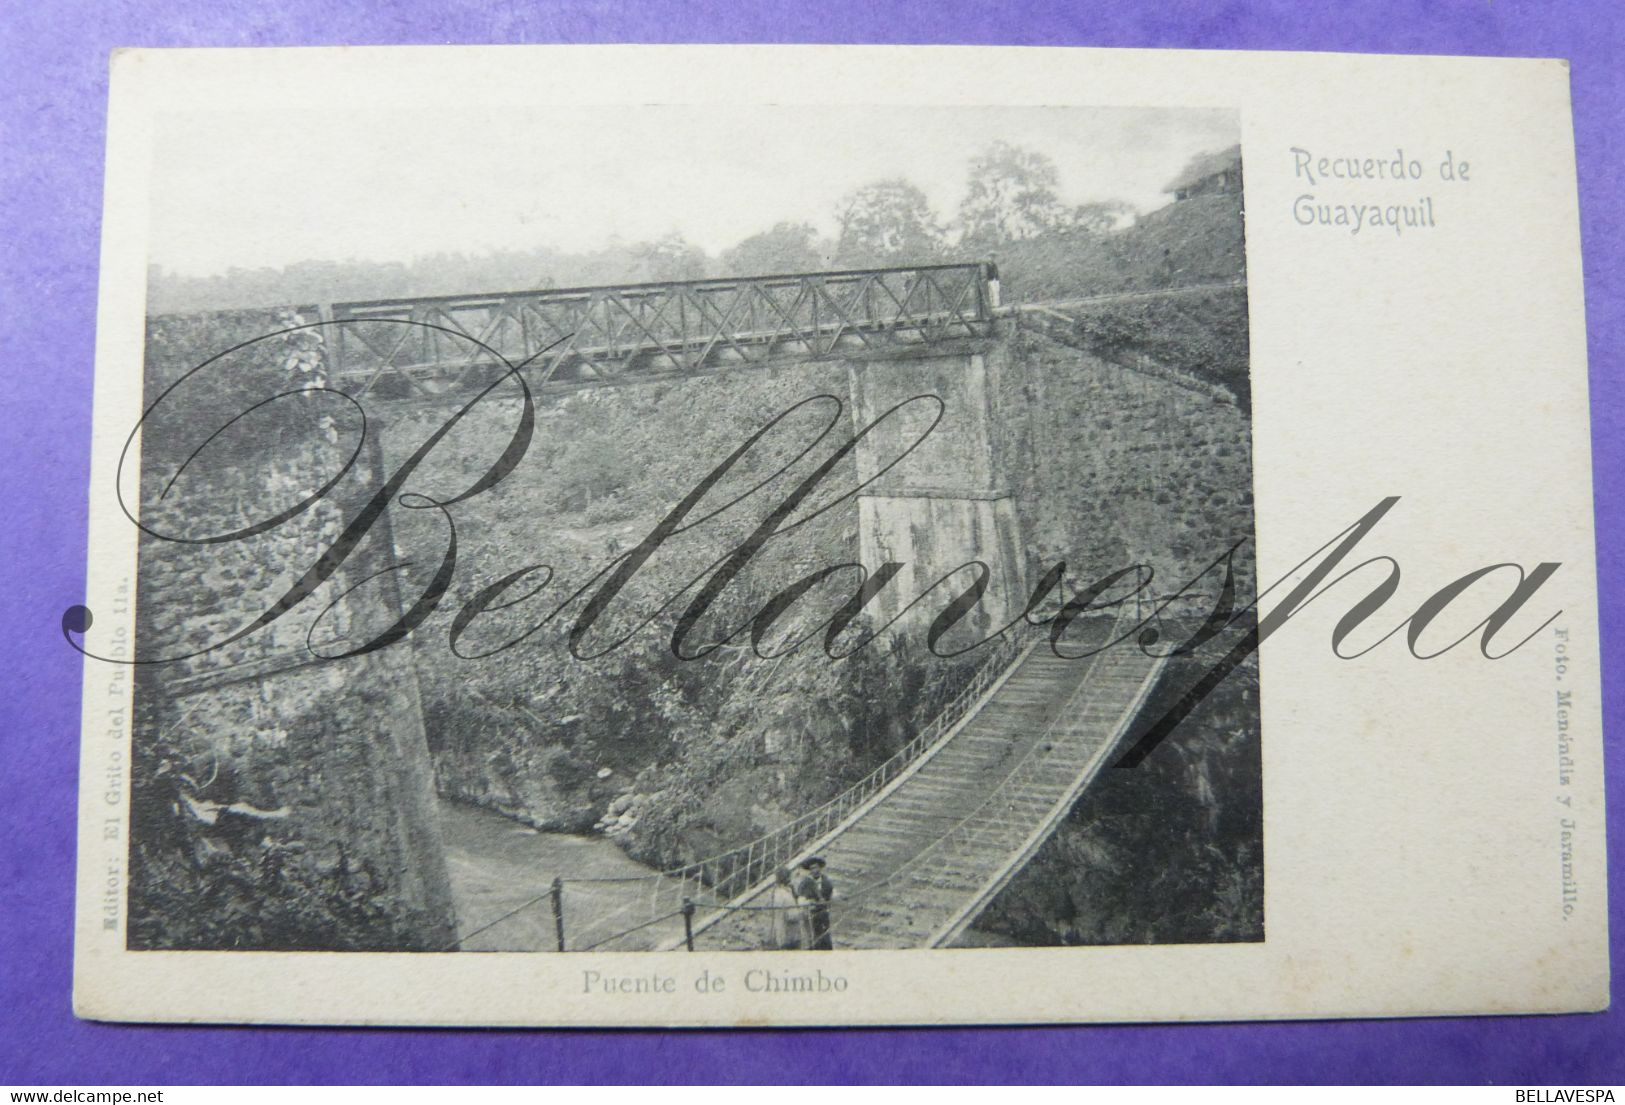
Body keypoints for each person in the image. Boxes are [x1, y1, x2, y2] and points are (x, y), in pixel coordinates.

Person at [794, 856, 835, 950]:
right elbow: (800, 900)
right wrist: (809, 902)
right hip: (811, 917)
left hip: (824, 915)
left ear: (820, 868)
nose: (814, 870)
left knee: (825, 938)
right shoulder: (806, 883)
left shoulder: (826, 882)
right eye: (812, 868)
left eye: (816, 867)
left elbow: (831, 894)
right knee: (813, 939)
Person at [763, 867, 804, 950]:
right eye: (789, 877)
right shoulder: (784, 894)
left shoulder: (775, 892)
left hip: (779, 930)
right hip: (789, 933)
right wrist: (801, 911)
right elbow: (792, 916)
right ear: (786, 878)